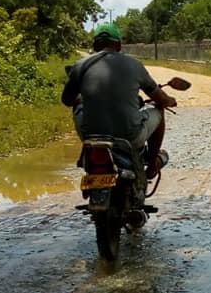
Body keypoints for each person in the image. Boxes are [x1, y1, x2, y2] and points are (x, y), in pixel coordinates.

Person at [62, 22, 178, 178]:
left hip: (89, 136)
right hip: (130, 137)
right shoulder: (134, 65)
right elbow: (160, 100)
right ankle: (151, 166)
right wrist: (170, 100)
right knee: (158, 110)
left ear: (95, 45)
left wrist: (82, 99)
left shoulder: (80, 65)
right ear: (119, 44)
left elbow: (67, 100)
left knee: (77, 105)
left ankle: (86, 155)